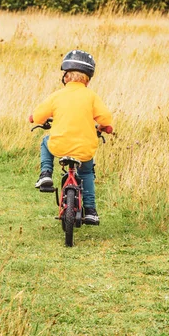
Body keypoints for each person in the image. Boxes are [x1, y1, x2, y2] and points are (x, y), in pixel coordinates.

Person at [29, 49, 113, 225]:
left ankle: (46, 173)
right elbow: (105, 118)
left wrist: (34, 118)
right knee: (87, 172)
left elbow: (38, 116)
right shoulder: (91, 97)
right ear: (88, 80)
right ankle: (90, 210)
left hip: (59, 145)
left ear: (66, 77)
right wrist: (104, 127)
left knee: (46, 141)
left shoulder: (57, 95)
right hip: (84, 148)